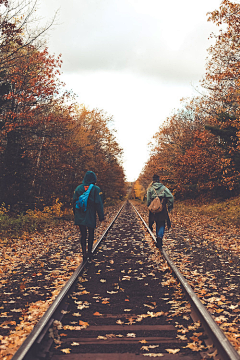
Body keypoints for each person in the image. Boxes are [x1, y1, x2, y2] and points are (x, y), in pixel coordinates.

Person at [73, 171, 104, 261]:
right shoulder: (96, 189)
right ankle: (90, 252)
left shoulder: (78, 188)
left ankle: (84, 253)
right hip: (90, 214)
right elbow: (99, 203)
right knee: (91, 234)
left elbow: (74, 202)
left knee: (83, 234)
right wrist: (101, 216)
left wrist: (76, 215)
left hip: (80, 214)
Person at [147, 174, 174, 250]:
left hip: (153, 210)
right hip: (162, 209)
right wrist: (169, 207)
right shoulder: (164, 188)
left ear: (153, 180)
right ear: (159, 180)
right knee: (161, 223)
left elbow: (148, 200)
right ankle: (159, 237)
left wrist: (150, 206)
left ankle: (158, 238)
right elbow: (171, 197)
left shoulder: (150, 188)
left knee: (156, 222)